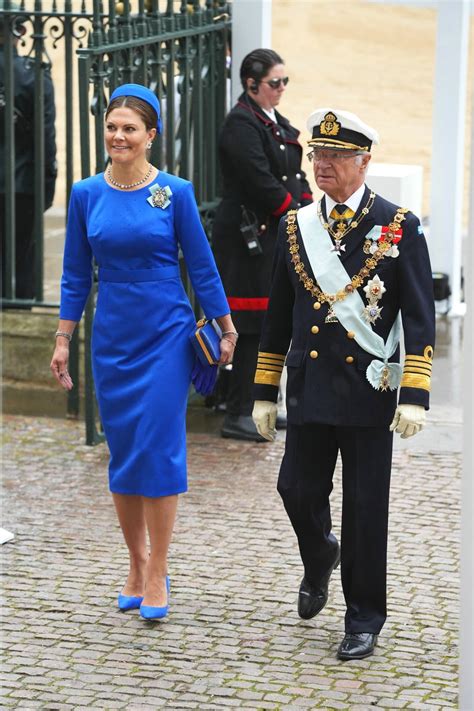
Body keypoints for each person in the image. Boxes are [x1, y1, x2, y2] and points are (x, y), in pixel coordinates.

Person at [252, 108, 435, 660]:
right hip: (310, 386)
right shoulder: (296, 225)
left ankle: (363, 617)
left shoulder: (398, 225)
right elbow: (278, 313)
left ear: (364, 161)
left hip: (368, 389)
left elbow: (421, 314)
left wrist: (417, 394)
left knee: (364, 507)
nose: (322, 165)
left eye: (334, 156)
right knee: (296, 489)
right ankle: (318, 555)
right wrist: (264, 390)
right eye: (316, 155)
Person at [50, 84, 237, 621]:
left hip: (165, 335)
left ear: (151, 136)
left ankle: (159, 569)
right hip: (112, 335)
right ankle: (135, 562)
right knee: (125, 451)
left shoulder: (174, 192)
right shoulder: (86, 194)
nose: (119, 136)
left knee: (159, 446)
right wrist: (63, 338)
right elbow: (74, 275)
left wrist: (226, 328)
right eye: (112, 127)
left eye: (130, 128)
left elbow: (201, 266)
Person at [212, 48, 313, 442]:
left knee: (272, 323)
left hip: (271, 236)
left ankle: (265, 403)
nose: (282, 88)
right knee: (249, 328)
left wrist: (306, 206)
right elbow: (259, 181)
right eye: (275, 83)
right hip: (246, 238)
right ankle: (239, 411)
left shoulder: (272, 121)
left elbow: (291, 173)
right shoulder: (241, 124)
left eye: (285, 81)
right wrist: (293, 211)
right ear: (252, 85)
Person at [0, 1, 57, 299]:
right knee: (22, 263)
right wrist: (46, 186)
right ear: (20, 31)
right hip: (21, 184)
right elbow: (45, 139)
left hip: (19, 183)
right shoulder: (33, 75)